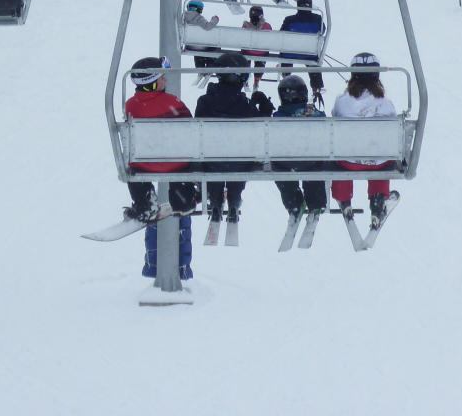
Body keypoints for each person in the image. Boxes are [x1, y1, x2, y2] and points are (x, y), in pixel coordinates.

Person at [123, 56, 198, 279]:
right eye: (162, 77)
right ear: (154, 81)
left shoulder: (131, 104)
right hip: (175, 164)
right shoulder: (172, 103)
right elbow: (190, 130)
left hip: (144, 164)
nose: (165, 80)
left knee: (132, 169)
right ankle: (182, 200)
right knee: (183, 160)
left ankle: (145, 203)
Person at [329, 53, 399, 224]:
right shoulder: (385, 103)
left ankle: (343, 199)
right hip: (377, 162)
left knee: (341, 156)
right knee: (380, 155)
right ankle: (377, 203)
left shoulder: (341, 101)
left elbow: (334, 120)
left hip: (347, 162)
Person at [195, 52, 263, 226]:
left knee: (213, 161)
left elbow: (197, 132)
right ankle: (234, 198)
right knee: (239, 159)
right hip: (239, 162)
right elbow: (259, 129)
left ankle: (216, 200)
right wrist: (262, 106)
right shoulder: (245, 104)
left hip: (211, 161)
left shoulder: (204, 101)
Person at [272, 73, 328, 218]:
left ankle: (292, 203)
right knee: (316, 164)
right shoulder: (315, 114)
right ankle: (316, 202)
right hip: (311, 161)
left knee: (278, 165)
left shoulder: (278, 118)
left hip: (286, 163)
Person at [279, 0, 326, 101]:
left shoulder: (289, 20)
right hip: (310, 53)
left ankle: (285, 76)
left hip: (290, 53)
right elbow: (322, 31)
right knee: (313, 63)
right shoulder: (318, 19)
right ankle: (316, 87)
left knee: (286, 53)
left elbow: (281, 34)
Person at [243, 4, 273, 86]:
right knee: (263, 53)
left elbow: (242, 39)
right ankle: (257, 78)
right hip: (261, 52)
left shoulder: (245, 26)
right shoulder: (267, 26)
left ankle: (245, 76)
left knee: (245, 52)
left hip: (248, 51)